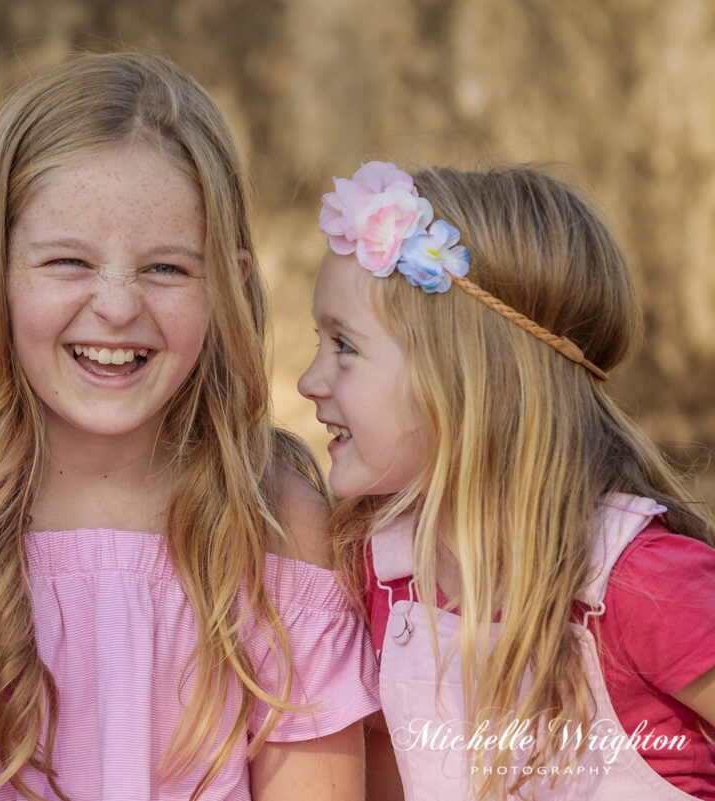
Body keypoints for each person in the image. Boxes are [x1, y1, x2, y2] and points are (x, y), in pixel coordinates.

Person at [0, 52, 379, 801]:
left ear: (228, 288)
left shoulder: (278, 526)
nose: (117, 306)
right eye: (68, 262)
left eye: (167, 269)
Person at [297, 161, 715, 800]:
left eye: (344, 346)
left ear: (474, 378)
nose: (309, 381)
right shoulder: (380, 570)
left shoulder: (640, 582)